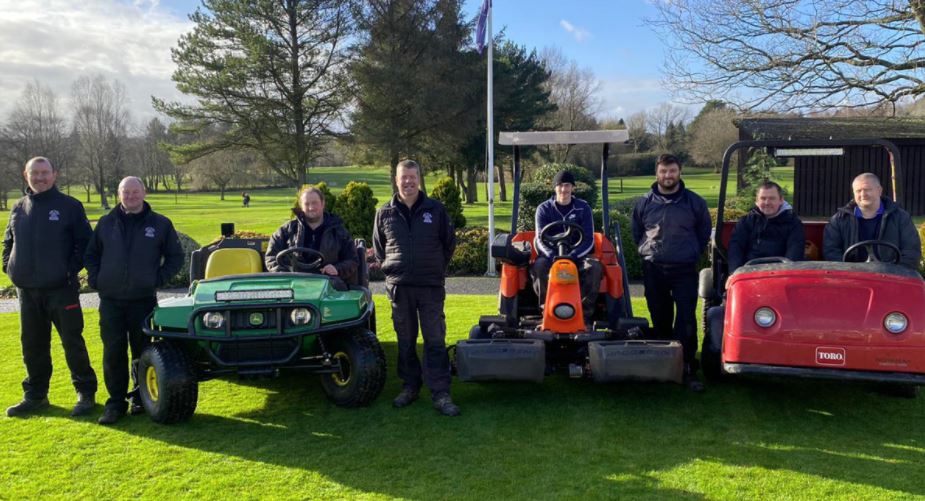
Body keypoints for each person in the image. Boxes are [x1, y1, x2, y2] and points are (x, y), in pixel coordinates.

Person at [84, 176, 184, 425]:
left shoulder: (160, 224)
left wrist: (156, 279)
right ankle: (116, 403)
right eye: (125, 192)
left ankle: (140, 397)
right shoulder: (106, 223)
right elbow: (91, 254)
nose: (130, 196)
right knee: (113, 352)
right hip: (111, 301)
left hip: (143, 300)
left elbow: (176, 257)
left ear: (144, 192)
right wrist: (97, 279)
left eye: (135, 192)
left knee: (142, 351)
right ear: (119, 194)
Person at [3, 157, 98, 417]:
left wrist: (67, 271)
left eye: (45, 172)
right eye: (35, 173)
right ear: (26, 175)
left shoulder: (70, 206)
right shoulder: (18, 207)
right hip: (27, 291)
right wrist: (9, 267)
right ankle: (35, 396)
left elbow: (85, 245)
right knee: (32, 345)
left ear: (54, 174)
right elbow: (8, 242)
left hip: (61, 289)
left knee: (72, 342)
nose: (40, 177)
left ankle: (85, 393)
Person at [373, 159, 459, 416]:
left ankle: (440, 393)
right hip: (400, 288)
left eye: (412, 177)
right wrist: (393, 270)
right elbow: (379, 249)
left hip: (430, 287)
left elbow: (449, 244)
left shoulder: (436, 210)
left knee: (435, 340)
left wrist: (434, 267)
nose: (408, 182)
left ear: (419, 179)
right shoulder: (384, 213)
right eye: (404, 177)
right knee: (406, 341)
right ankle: (410, 386)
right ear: (396, 180)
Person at [631, 154, 711, 392]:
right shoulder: (644, 203)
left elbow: (703, 233)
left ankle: (687, 368)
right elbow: (637, 233)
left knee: (686, 320)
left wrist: (690, 251)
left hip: (684, 269)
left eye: (672, 171)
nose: (668, 175)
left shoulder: (694, 202)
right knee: (660, 319)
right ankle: (663, 367)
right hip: (654, 268)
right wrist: (650, 252)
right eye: (664, 171)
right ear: (657, 173)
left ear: (679, 172)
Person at [532, 170, 601, 324]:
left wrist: (574, 255)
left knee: (594, 267)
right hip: (550, 255)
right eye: (560, 185)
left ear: (573, 187)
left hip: (577, 255)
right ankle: (546, 311)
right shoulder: (544, 209)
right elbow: (539, 238)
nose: (564, 189)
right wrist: (552, 256)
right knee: (539, 266)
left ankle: (584, 314)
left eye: (567, 185)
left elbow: (589, 239)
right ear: (554, 187)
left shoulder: (583, 208)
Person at [266, 186, 358, 290]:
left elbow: (352, 260)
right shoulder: (286, 231)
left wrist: (337, 268)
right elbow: (271, 258)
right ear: (301, 206)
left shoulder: (339, 232)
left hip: (328, 282)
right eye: (307, 204)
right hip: (294, 283)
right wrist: (285, 274)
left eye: (314, 203)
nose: (311, 208)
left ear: (323, 204)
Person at [823, 172, 921, 268]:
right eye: (858, 191)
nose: (863, 194)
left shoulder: (901, 217)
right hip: (852, 275)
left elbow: (911, 251)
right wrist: (850, 271)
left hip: (890, 274)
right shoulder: (839, 220)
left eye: (867, 189)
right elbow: (831, 252)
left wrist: (893, 271)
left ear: (879, 190)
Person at [727, 181, 805, 274]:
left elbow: (794, 253)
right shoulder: (746, 222)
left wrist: (786, 274)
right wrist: (735, 273)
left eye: (772, 198)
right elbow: (735, 250)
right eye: (763, 198)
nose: (767, 202)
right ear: (756, 201)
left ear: (781, 200)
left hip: (781, 273)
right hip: (749, 273)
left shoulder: (793, 223)